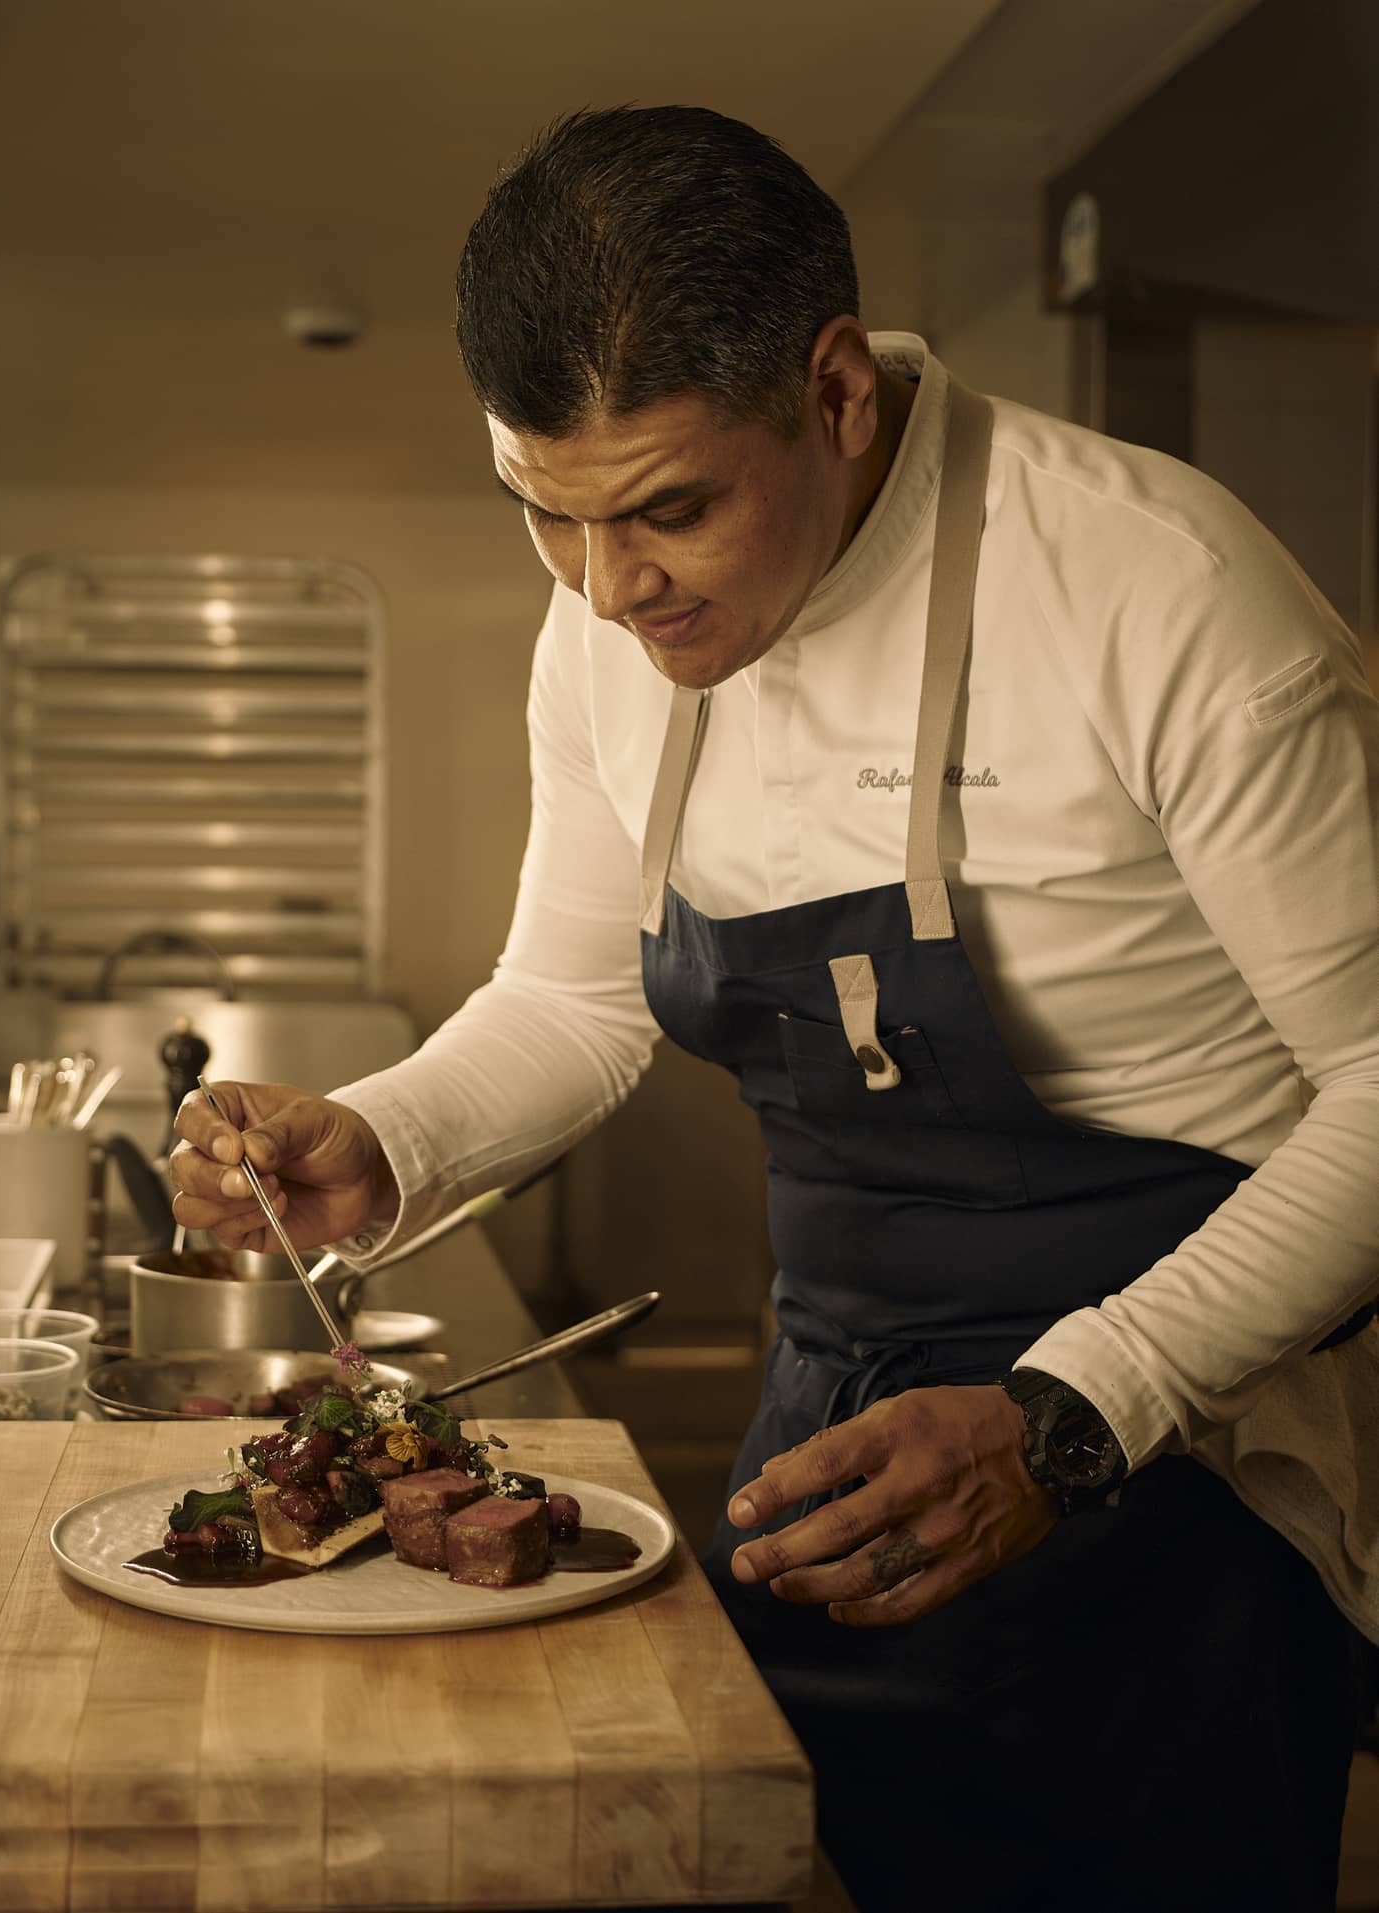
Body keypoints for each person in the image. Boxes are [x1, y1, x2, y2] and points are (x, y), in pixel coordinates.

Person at [170, 105, 1379, 1910]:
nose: (610, 589)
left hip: (1181, 1440)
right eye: (546, 518)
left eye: (670, 508)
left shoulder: (1161, 594)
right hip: (829, 1417)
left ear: (834, 394)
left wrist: (1069, 1411)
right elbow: (575, 997)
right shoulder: (597, 623)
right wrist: (385, 1135)